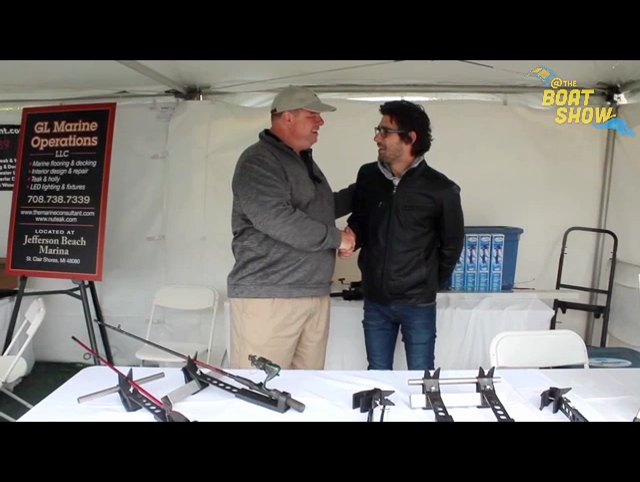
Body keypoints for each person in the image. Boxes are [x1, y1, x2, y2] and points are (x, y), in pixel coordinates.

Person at [227, 85, 356, 370]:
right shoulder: (259, 160)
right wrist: (337, 238)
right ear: (287, 117)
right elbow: (276, 218)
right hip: (270, 297)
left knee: (305, 390)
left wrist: (365, 188)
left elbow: (317, 210)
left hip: (313, 293)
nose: (321, 121)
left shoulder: (302, 160)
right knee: (260, 389)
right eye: (313, 115)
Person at [342, 100, 464, 371]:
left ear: (410, 137)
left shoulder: (442, 189)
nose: (377, 138)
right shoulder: (368, 176)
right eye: (378, 130)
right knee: (377, 376)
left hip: (418, 304)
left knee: (421, 378)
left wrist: (428, 283)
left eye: (385, 131)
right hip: (375, 300)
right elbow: (361, 220)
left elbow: (452, 245)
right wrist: (352, 239)